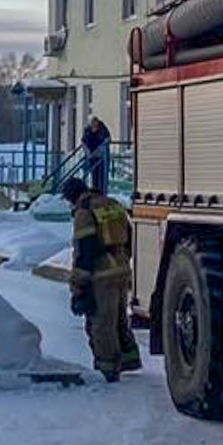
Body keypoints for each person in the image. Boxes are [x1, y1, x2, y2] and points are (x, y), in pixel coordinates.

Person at [65, 174, 140, 382]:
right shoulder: (112, 204)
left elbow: (84, 251)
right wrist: (123, 259)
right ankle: (129, 359)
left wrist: (78, 285)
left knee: (101, 323)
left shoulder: (85, 212)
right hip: (122, 269)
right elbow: (129, 234)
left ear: (73, 197)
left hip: (102, 274)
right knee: (119, 318)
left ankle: (107, 368)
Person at [81, 116, 112, 194]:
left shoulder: (103, 130)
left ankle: (103, 191)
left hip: (102, 158)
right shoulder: (87, 130)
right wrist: (88, 152)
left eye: (95, 125)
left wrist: (97, 152)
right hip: (92, 157)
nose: (94, 127)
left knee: (102, 176)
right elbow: (84, 141)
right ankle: (95, 191)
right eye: (92, 125)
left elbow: (106, 141)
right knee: (94, 175)